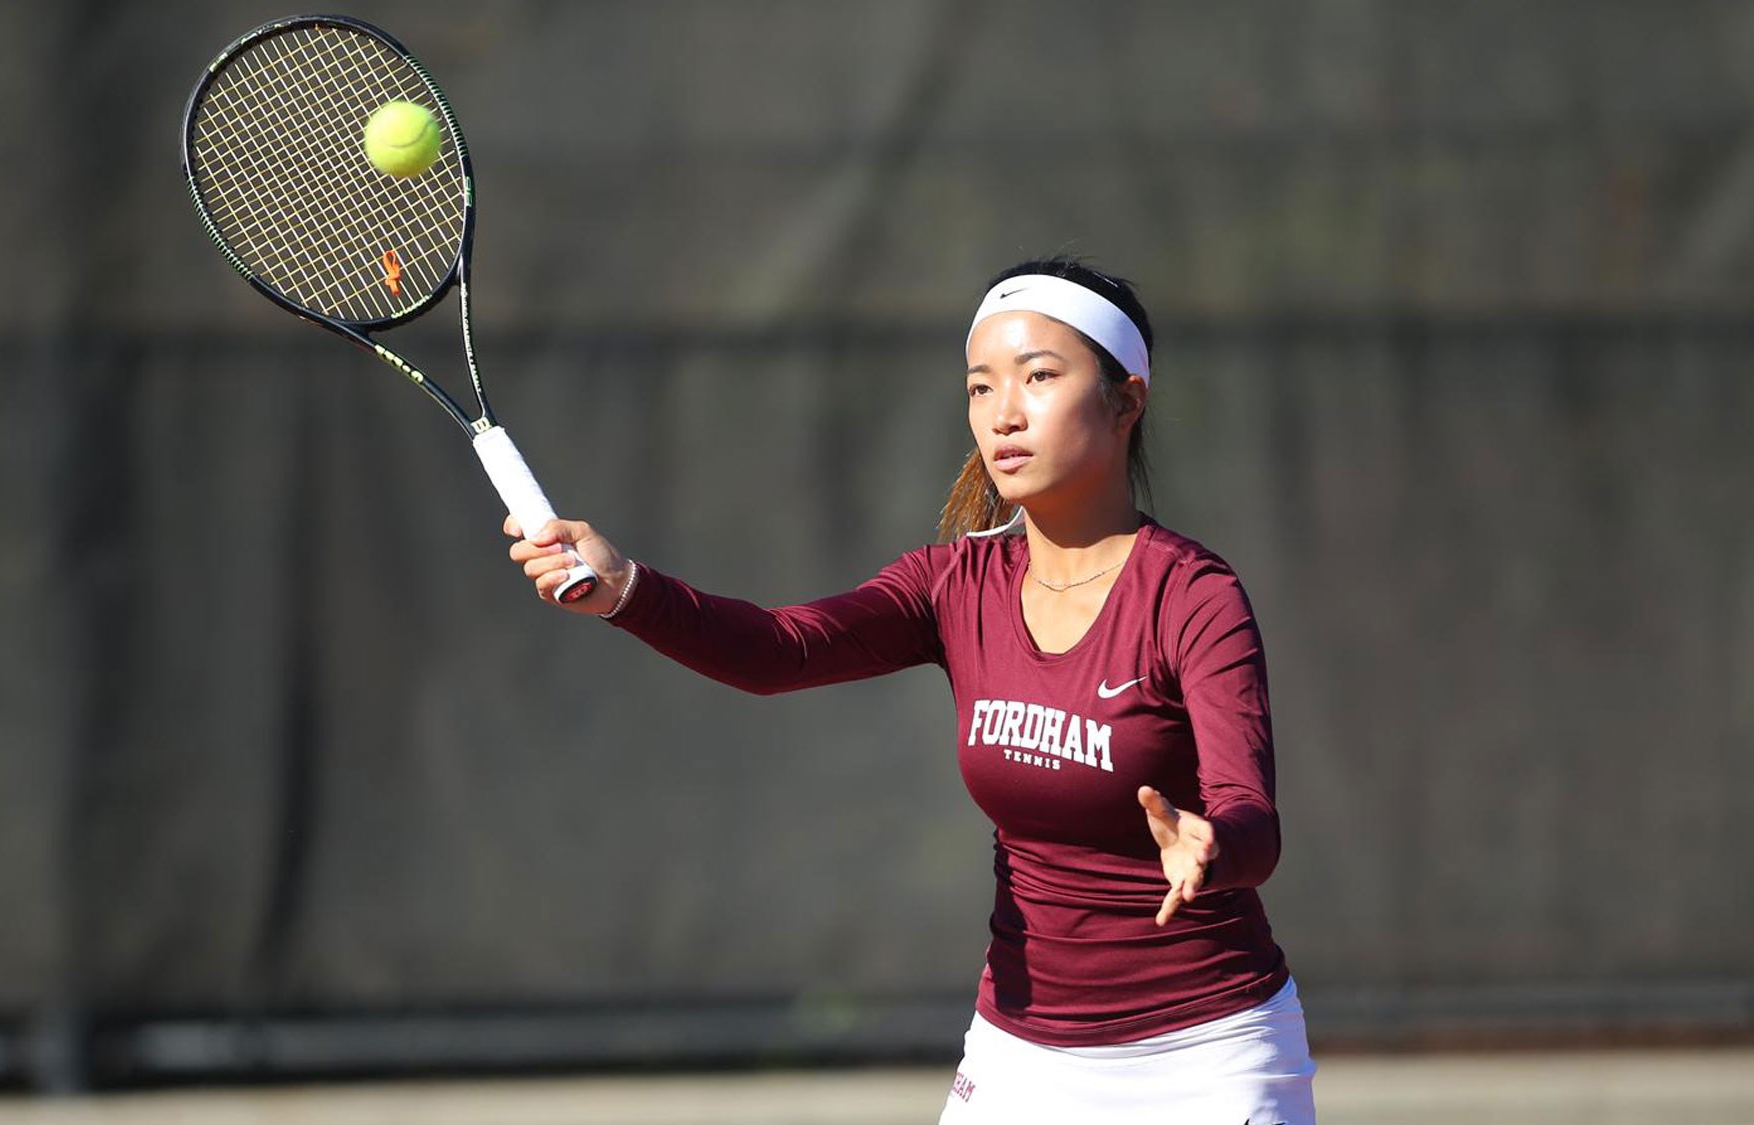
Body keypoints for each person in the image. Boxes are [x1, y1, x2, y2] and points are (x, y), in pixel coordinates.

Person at [505, 258, 1316, 1123]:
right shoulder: (952, 584)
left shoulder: (1192, 594)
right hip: (1022, 1055)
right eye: (980, 386)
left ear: (1126, 400)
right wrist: (628, 587)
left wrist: (1210, 847)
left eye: (1040, 377)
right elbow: (778, 650)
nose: (1003, 412)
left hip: (1205, 1054)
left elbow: (1251, 821)